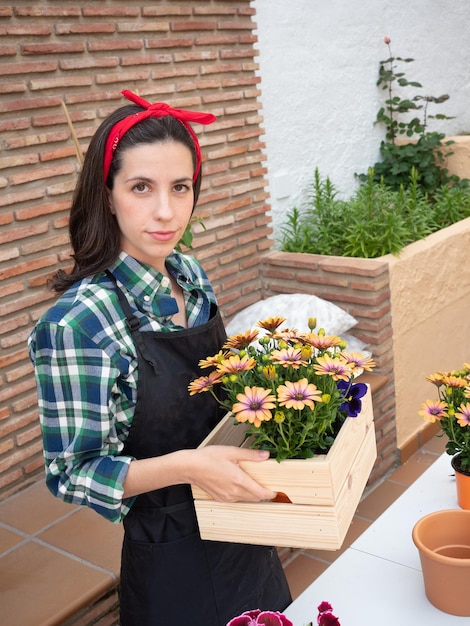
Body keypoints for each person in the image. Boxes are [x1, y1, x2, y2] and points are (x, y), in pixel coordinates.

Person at [28, 90, 292, 626]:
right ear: (107, 195)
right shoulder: (78, 324)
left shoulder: (190, 276)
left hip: (244, 530)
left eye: (181, 187)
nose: (167, 212)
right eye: (141, 188)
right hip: (171, 558)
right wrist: (189, 467)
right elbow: (72, 472)